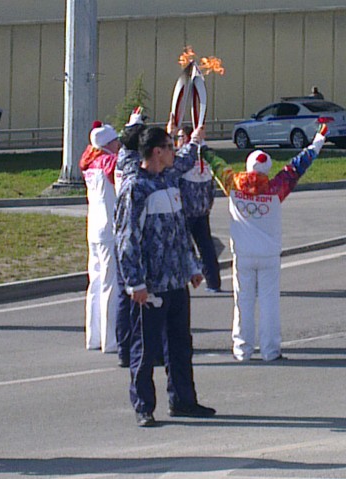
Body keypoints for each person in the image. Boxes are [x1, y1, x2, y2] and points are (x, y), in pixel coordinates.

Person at [115, 126, 216, 427]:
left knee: (180, 345)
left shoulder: (170, 181)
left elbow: (180, 230)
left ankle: (183, 400)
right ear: (157, 151)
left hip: (176, 280)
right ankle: (143, 406)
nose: (174, 151)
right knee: (145, 349)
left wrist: (192, 266)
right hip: (151, 286)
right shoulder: (136, 188)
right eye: (170, 147)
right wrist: (135, 282)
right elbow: (126, 239)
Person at [203, 125, 328, 361]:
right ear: (268, 168)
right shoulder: (276, 188)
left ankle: (242, 350)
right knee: (270, 303)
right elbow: (298, 165)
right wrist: (318, 141)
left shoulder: (233, 183)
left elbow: (216, 164)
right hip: (269, 255)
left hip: (243, 254)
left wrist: (202, 147)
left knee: (243, 302)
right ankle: (271, 351)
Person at [80, 123, 121, 353]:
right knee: (110, 285)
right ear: (107, 143)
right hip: (109, 231)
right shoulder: (108, 163)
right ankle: (111, 339)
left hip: (94, 229)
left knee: (95, 284)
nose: (119, 144)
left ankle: (93, 337)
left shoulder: (90, 162)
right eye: (116, 140)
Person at [114, 107, 147, 367]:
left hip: (118, 234)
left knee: (123, 296)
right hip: (133, 236)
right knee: (134, 298)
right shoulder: (137, 171)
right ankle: (133, 349)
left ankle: (123, 348)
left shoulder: (121, 159)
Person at [177, 125, 222, 292]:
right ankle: (213, 283)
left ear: (187, 138)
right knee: (206, 247)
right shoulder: (205, 158)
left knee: (185, 248)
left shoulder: (185, 160)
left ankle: (184, 283)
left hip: (186, 212)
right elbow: (212, 187)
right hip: (202, 210)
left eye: (180, 137)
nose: (177, 141)